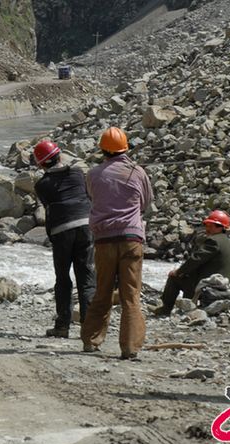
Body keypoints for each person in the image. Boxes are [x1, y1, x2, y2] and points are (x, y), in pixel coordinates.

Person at [80, 127, 153, 359]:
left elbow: (93, 197)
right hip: (131, 239)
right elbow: (146, 202)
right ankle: (130, 347)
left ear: (102, 150)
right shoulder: (137, 172)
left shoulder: (92, 174)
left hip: (103, 241)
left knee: (102, 291)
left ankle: (91, 340)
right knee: (130, 295)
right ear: (126, 148)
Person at [33, 140, 96, 338]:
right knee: (86, 277)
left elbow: (49, 203)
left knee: (63, 279)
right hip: (86, 226)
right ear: (59, 156)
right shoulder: (77, 173)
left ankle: (63, 326)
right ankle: (90, 329)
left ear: (41, 164)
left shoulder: (42, 185)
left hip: (62, 231)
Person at [152, 210, 230, 316]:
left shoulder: (213, 241)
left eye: (210, 225)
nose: (207, 228)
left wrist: (179, 271)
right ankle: (187, 308)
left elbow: (196, 259)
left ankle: (167, 309)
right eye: (207, 225)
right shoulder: (224, 240)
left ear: (220, 227)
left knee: (175, 278)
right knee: (189, 276)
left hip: (214, 286)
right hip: (227, 285)